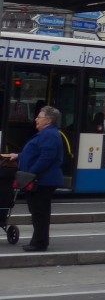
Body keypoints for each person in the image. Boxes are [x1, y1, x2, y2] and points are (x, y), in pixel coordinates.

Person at [1, 104, 65, 251]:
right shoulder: (47, 134)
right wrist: (18, 156)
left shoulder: (49, 135)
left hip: (42, 180)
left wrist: (30, 174)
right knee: (38, 212)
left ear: (48, 120)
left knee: (40, 212)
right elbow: (35, 153)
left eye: (39, 117)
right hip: (40, 179)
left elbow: (46, 158)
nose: (36, 119)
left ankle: (39, 243)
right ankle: (38, 241)